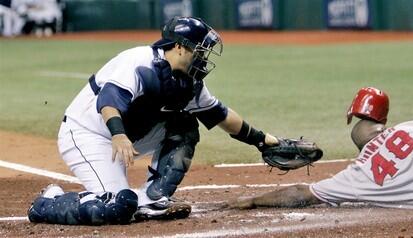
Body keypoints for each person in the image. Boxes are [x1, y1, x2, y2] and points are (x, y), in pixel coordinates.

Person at [28, 16, 279, 225]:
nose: (204, 58)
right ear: (180, 46)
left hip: (127, 137)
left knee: (184, 126)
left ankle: (152, 198)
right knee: (118, 206)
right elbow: (108, 100)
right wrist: (118, 134)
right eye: (201, 51)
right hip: (87, 134)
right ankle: (48, 203)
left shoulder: (187, 82)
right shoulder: (139, 61)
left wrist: (263, 141)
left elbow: (220, 115)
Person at [228, 87, 413, 210]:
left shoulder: (357, 175)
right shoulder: (409, 127)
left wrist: (252, 200)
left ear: (353, 119)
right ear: (381, 120)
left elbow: (302, 193)